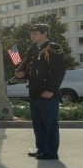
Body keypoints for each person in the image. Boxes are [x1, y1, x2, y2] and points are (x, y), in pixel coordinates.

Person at [15, 23, 66, 160]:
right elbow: (33, 72)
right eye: (31, 34)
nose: (32, 36)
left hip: (48, 93)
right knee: (38, 124)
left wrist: (50, 90)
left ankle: (50, 152)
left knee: (49, 124)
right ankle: (41, 149)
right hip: (35, 92)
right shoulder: (33, 49)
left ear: (44, 34)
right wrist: (22, 74)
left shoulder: (53, 48)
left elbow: (59, 71)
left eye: (35, 34)